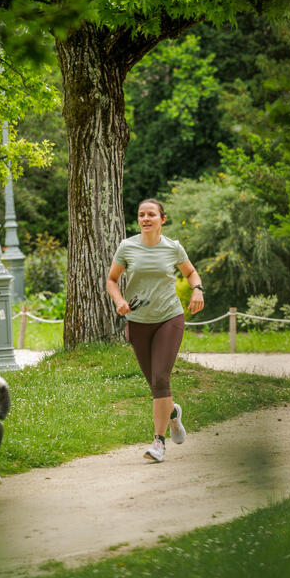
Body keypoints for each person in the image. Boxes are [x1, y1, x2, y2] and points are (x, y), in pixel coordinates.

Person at [106, 198, 205, 462]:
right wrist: (120, 301)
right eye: (141, 215)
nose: (145, 219)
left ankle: (158, 443)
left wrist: (197, 289)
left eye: (151, 214)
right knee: (154, 384)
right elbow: (112, 280)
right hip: (138, 321)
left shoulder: (173, 248)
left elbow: (191, 273)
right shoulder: (127, 247)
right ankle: (172, 413)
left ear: (163, 219)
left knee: (161, 378)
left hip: (168, 318)